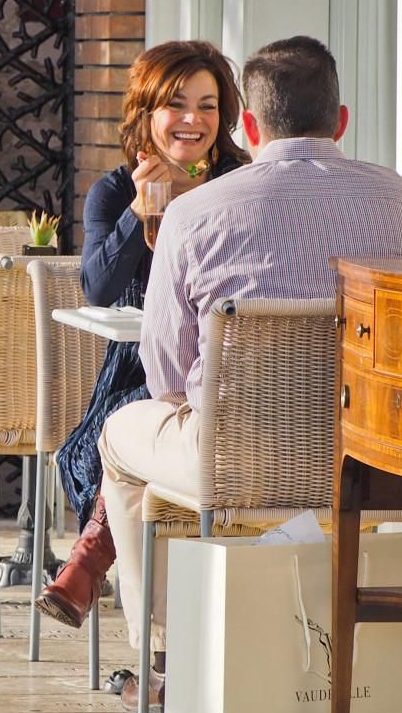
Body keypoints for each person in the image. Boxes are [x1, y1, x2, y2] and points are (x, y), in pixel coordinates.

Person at [98, 35, 402, 709]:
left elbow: (166, 374)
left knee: (119, 439)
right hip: (384, 467)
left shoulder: (195, 213)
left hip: (237, 464)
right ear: (341, 121)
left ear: (249, 128)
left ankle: (167, 661)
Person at [35, 40, 249, 631]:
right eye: (176, 104)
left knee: (135, 437)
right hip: (140, 367)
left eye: (208, 106)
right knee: (117, 428)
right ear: (146, 113)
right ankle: (132, 605)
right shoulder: (111, 191)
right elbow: (99, 289)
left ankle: (86, 570)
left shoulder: (239, 186)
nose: (193, 120)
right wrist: (142, 208)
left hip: (227, 367)